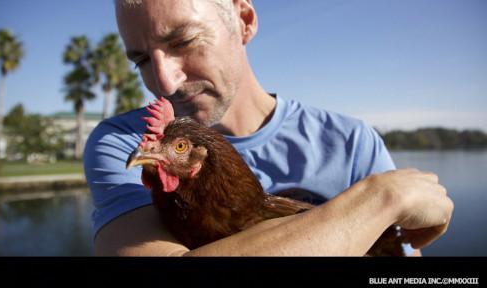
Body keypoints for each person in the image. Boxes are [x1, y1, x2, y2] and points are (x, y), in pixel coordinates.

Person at [83, 0, 453, 256]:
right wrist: (379, 199)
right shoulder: (121, 143)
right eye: (142, 60)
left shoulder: (352, 142)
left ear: (243, 20)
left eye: (184, 40)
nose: (164, 81)